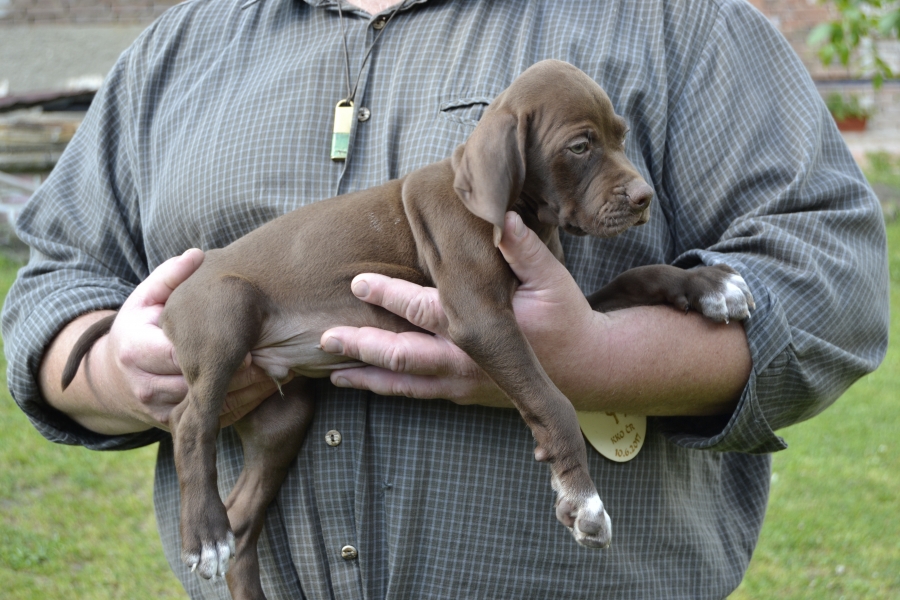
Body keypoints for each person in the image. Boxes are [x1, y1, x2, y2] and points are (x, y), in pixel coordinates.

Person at [1, 0, 889, 598]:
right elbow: (55, 281)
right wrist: (117, 370)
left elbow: (837, 283)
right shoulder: (181, 45)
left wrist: (600, 360)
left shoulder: (675, 21)